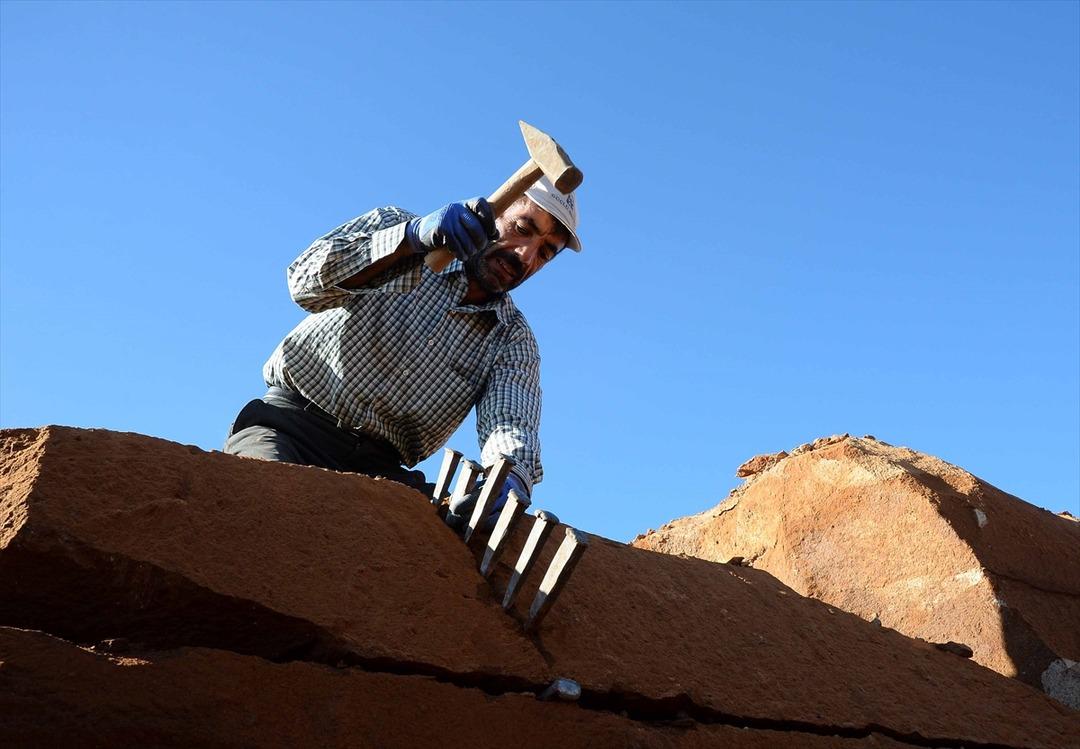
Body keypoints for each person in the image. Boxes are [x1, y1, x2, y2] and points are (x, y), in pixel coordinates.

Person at [223, 176, 580, 528]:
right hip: (289, 428)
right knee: (266, 503)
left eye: (545, 253)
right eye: (522, 227)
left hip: (383, 472)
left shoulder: (512, 339)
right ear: (495, 212)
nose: (525, 255)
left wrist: (511, 475)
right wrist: (409, 241)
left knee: (436, 550)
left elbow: (510, 419)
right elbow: (304, 283)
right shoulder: (394, 228)